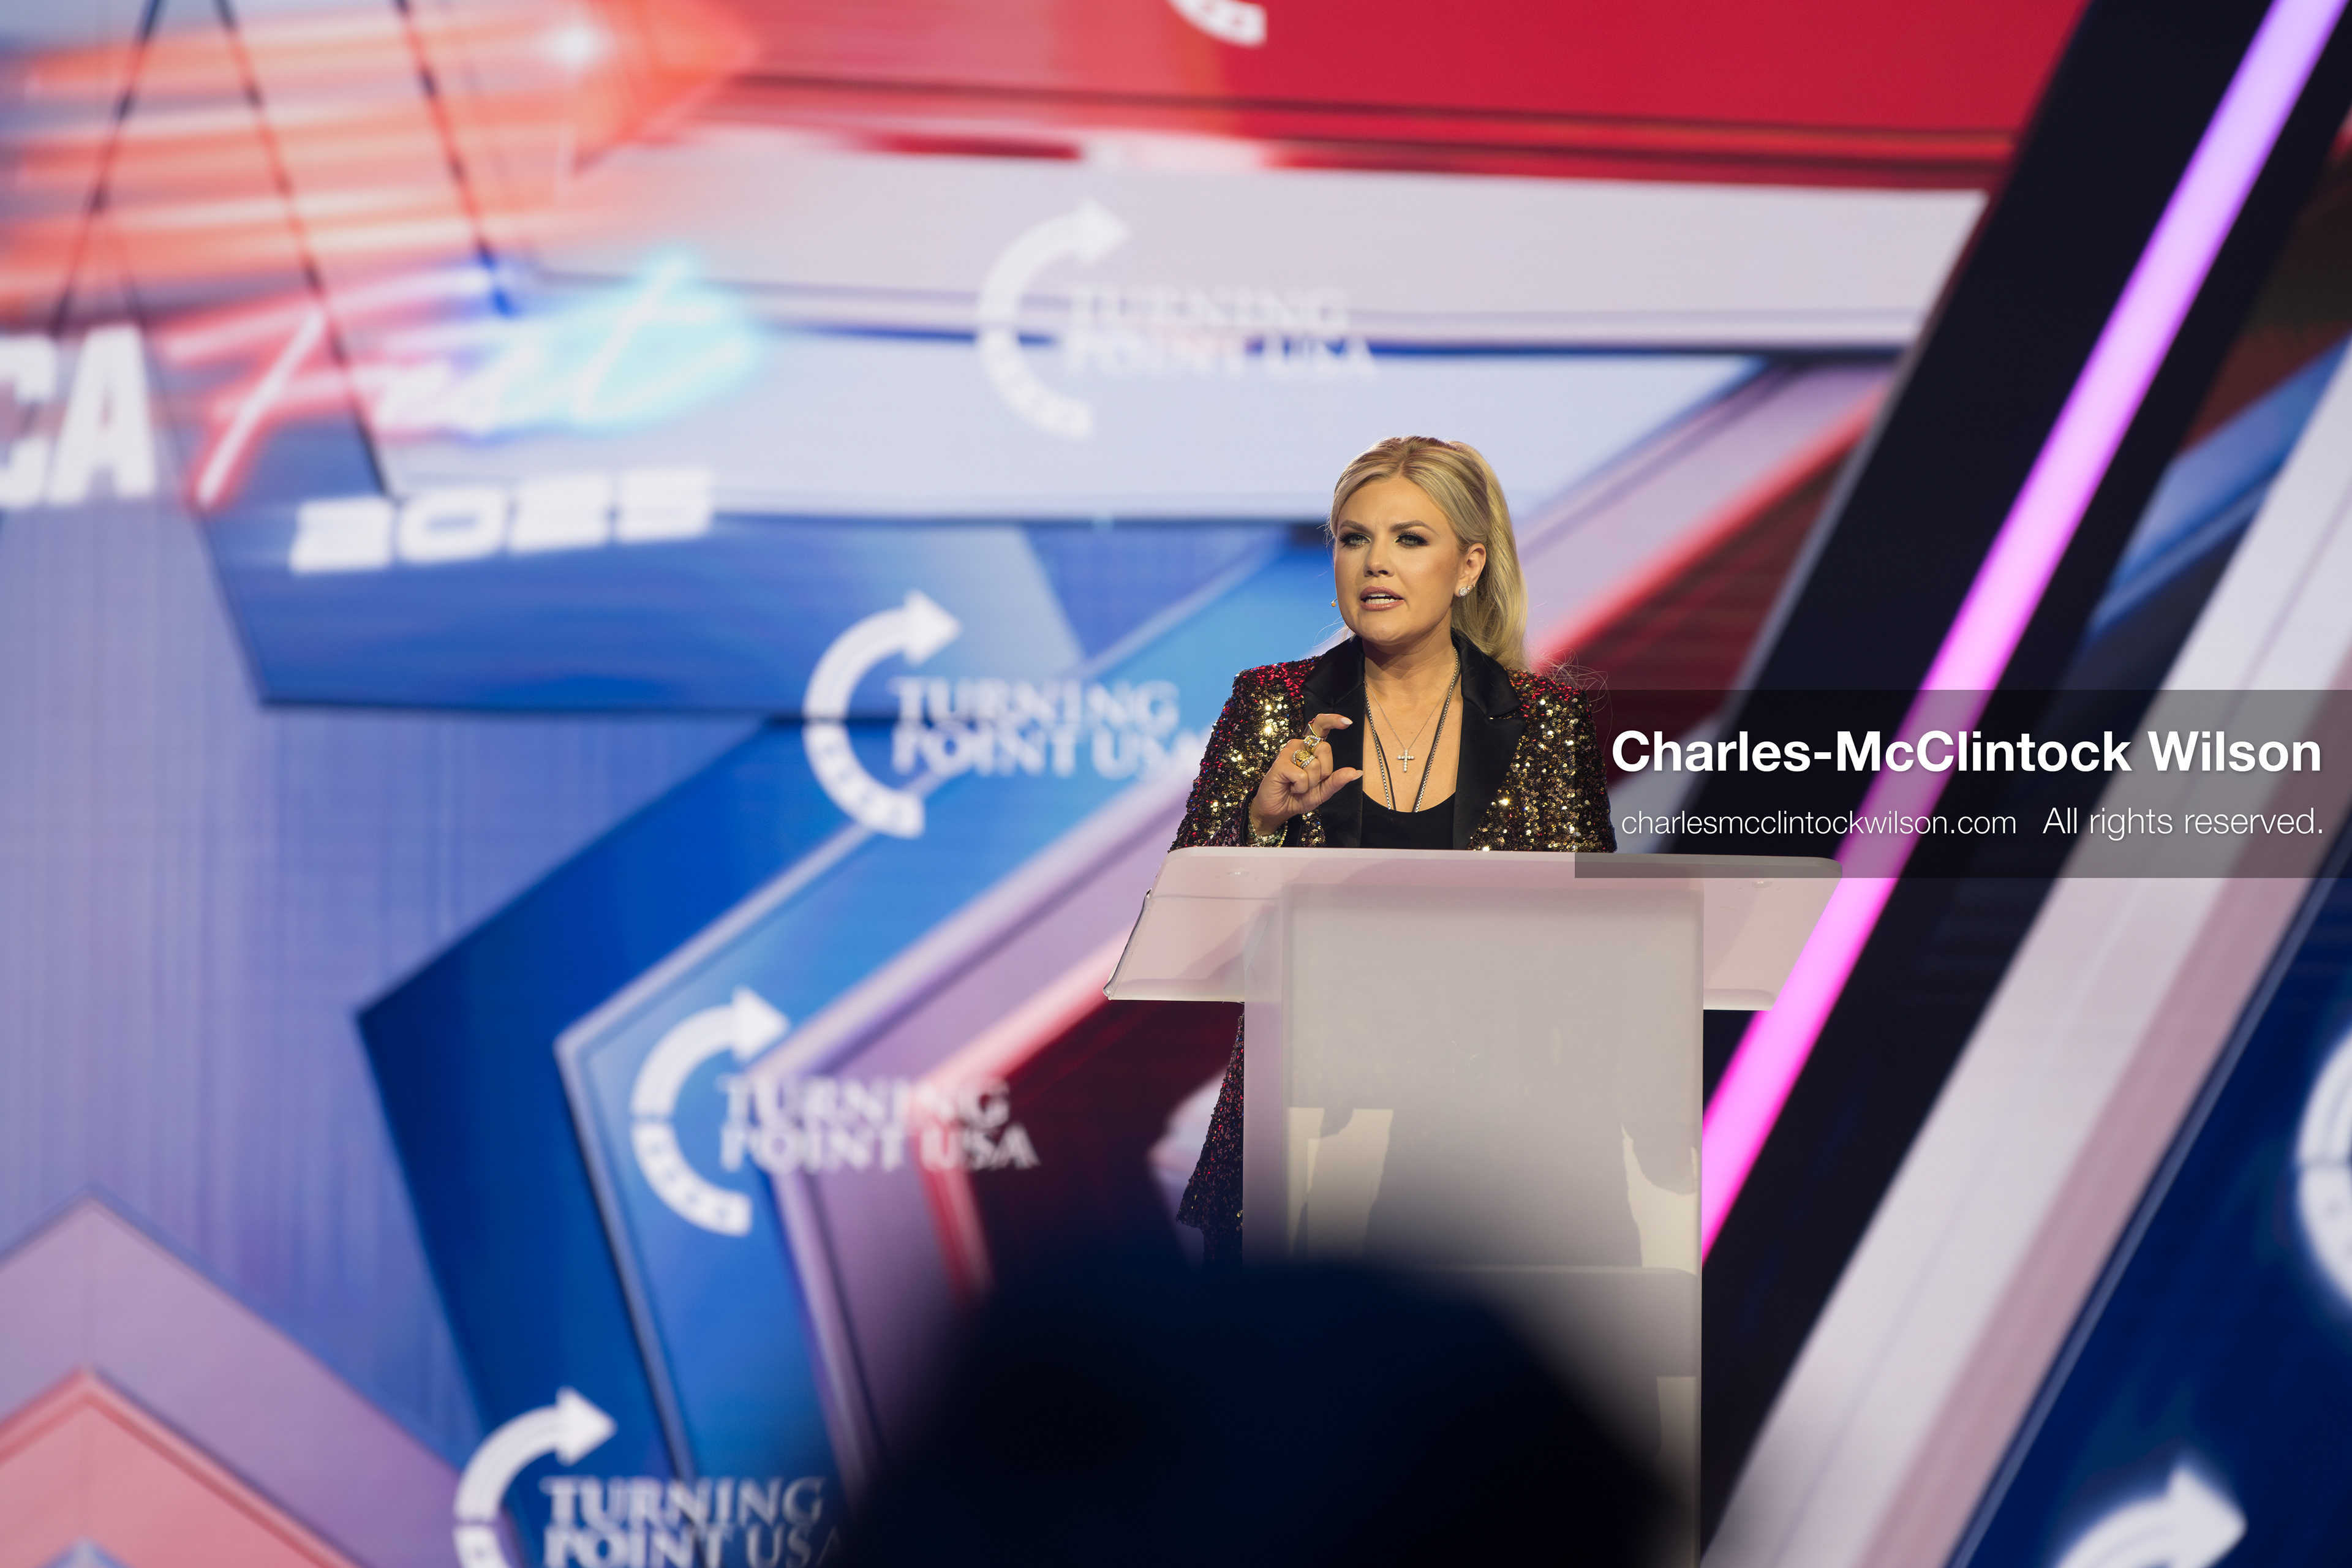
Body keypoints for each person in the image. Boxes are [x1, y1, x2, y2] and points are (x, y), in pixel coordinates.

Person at [1170, 435, 1615, 1267]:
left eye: (1410, 539)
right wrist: (1263, 825)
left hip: (1493, 1150)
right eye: (1354, 538)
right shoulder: (1271, 705)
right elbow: (1189, 932)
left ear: (1468, 565)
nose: (1376, 563)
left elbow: (1603, 942)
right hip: (1295, 1144)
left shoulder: (1548, 721)